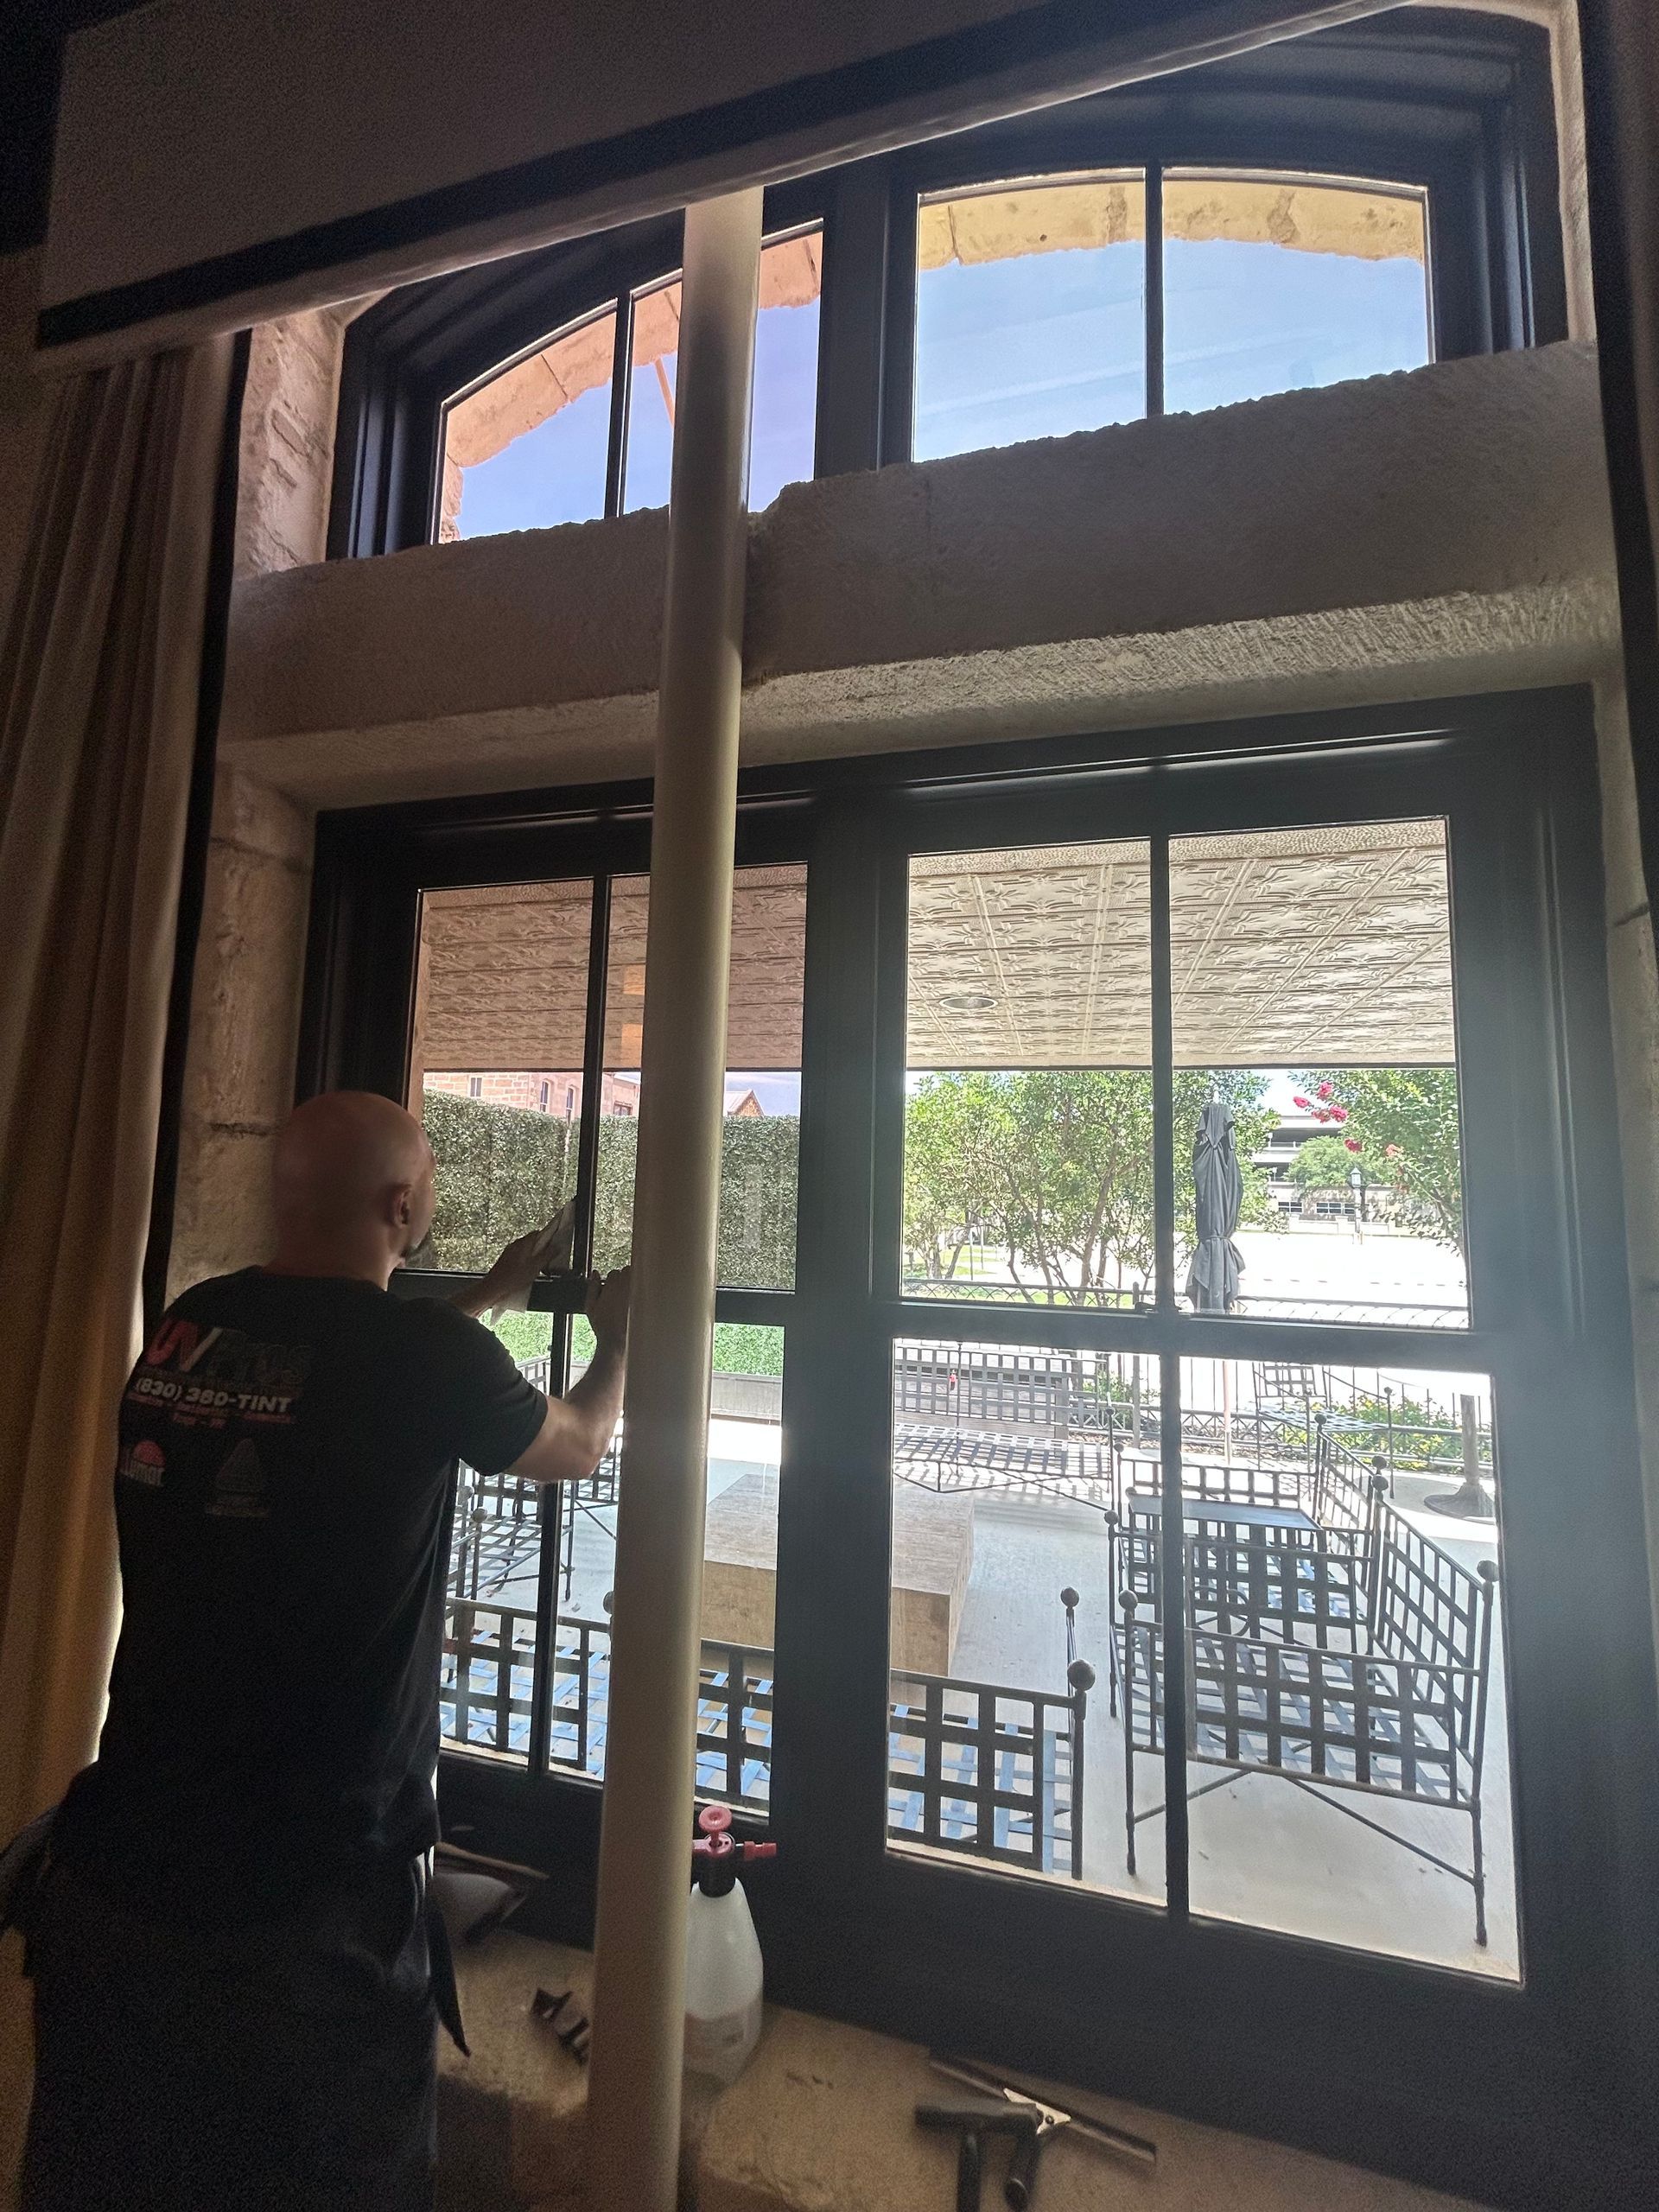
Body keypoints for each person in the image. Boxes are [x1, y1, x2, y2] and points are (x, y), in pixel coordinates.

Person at [16, 1091, 630, 2212]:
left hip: (115, 1886)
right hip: (300, 1929)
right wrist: (623, 1340)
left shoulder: (192, 1326)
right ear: (403, 1206)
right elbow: (578, 1445)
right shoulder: (422, 1358)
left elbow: (341, 1367)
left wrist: (487, 1295)